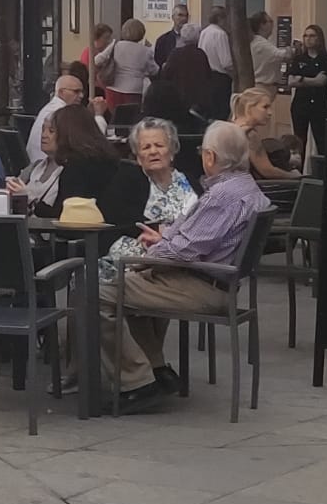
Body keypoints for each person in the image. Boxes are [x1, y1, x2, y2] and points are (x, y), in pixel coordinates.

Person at [94, 120, 270, 413]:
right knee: (133, 284)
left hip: (203, 285)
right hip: (213, 280)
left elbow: (185, 249)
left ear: (211, 156)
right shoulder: (246, 187)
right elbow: (192, 235)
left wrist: (152, 253)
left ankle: (137, 382)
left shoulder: (222, 195)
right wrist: (162, 242)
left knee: (95, 292)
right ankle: (157, 369)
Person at [103, 117, 197, 260]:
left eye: (159, 145)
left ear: (172, 151)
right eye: (146, 147)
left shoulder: (190, 181)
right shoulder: (126, 182)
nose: (153, 151)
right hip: (138, 258)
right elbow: (117, 226)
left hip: (184, 254)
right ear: (138, 157)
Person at [30, 102, 121, 219]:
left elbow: (64, 215)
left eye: (54, 131)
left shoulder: (75, 168)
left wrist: (34, 203)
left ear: (66, 133)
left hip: (80, 233)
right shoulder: (110, 159)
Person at [285, 25, 327, 160]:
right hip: (300, 105)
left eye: (312, 36)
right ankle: (297, 173)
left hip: (320, 106)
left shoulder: (326, 60)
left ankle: (323, 174)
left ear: (319, 38)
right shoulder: (299, 59)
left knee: (322, 141)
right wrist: (308, 79)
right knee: (299, 141)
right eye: (306, 36)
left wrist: (301, 79)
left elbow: (321, 81)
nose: (308, 39)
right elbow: (291, 81)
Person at [232, 86, 296, 179]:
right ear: (249, 107)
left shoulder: (231, 126)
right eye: (265, 107)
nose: (270, 112)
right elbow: (267, 171)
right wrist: (296, 177)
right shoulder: (250, 135)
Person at [25, 71, 85, 168]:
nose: (81, 96)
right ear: (61, 92)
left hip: (37, 163)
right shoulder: (61, 113)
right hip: (46, 166)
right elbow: (84, 142)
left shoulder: (50, 108)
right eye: (76, 91)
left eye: (82, 92)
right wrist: (98, 116)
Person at [95, 19, 156, 115]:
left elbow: (97, 60)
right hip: (134, 90)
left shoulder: (116, 45)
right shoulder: (146, 51)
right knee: (130, 119)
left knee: (115, 117)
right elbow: (154, 70)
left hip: (113, 87)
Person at [159, 29, 218, 126]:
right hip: (198, 96)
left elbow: (166, 74)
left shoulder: (175, 53)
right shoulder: (200, 54)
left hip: (179, 94)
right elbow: (208, 75)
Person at [198, 7, 235, 118]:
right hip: (220, 78)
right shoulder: (220, 34)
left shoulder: (204, 32)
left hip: (207, 76)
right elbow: (226, 62)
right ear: (220, 18)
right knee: (221, 112)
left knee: (210, 113)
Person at [247, 12, 285, 88]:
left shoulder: (259, 42)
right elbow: (283, 55)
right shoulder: (261, 44)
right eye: (270, 21)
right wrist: (293, 49)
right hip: (262, 86)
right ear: (262, 25)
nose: (272, 25)